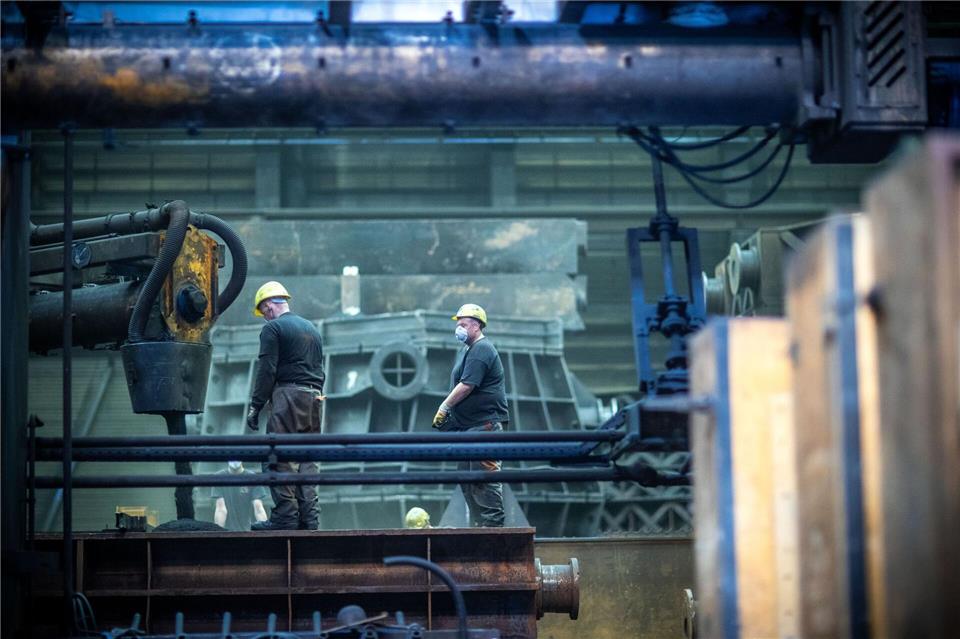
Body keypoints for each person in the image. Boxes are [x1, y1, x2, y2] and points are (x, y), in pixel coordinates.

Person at [246, 281, 326, 531]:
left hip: (288, 397)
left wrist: (256, 406)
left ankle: (285, 518)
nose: (265, 317)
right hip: (314, 399)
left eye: (264, 312)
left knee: (278, 456)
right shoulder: (311, 328)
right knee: (307, 460)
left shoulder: (273, 328)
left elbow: (267, 370)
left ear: (269, 306)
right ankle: (309, 521)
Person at [432, 304, 508, 527]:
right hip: (469, 427)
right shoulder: (467, 350)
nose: (459, 328)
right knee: (467, 478)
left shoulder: (482, 349)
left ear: (476, 325)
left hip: (485, 425)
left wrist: (444, 407)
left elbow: (467, 385)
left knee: (484, 476)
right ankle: (480, 526)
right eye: (458, 324)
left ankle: (493, 527)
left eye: (463, 324)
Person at [211, 461, 269, 531]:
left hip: (246, 531)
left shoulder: (253, 478)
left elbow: (258, 508)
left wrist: (265, 532)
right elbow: (221, 510)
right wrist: (219, 533)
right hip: (228, 532)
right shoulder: (219, 478)